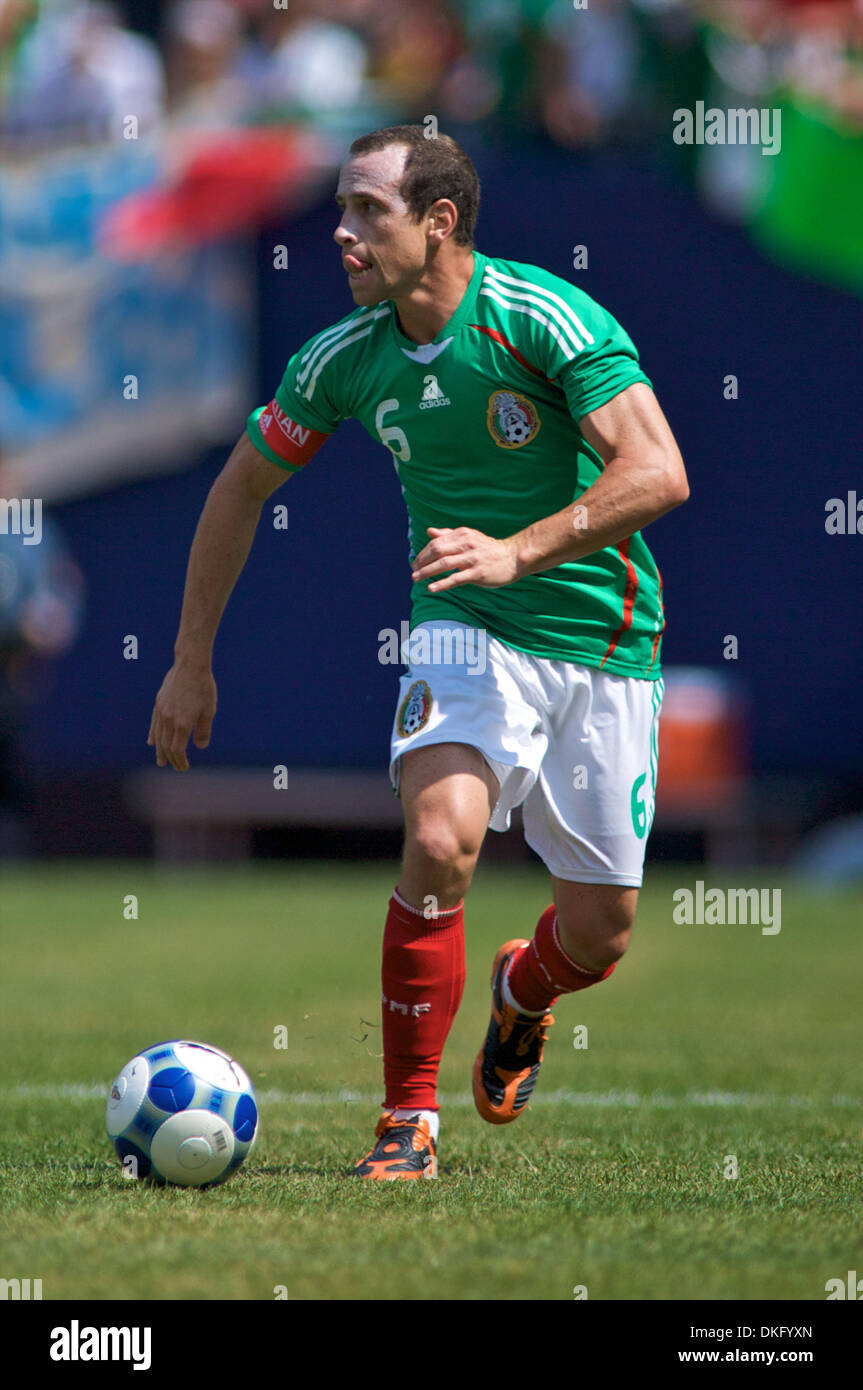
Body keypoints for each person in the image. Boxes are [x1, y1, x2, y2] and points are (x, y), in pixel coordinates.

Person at [148, 124, 689, 1179]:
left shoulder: (541, 315)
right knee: (439, 843)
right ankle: (406, 1121)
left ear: (439, 223)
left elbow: (658, 472)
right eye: (342, 211)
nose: (341, 235)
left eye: (367, 213)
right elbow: (238, 488)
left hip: (602, 639)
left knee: (599, 936)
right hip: (461, 625)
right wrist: (187, 660)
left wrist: (516, 550)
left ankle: (522, 990)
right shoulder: (345, 356)